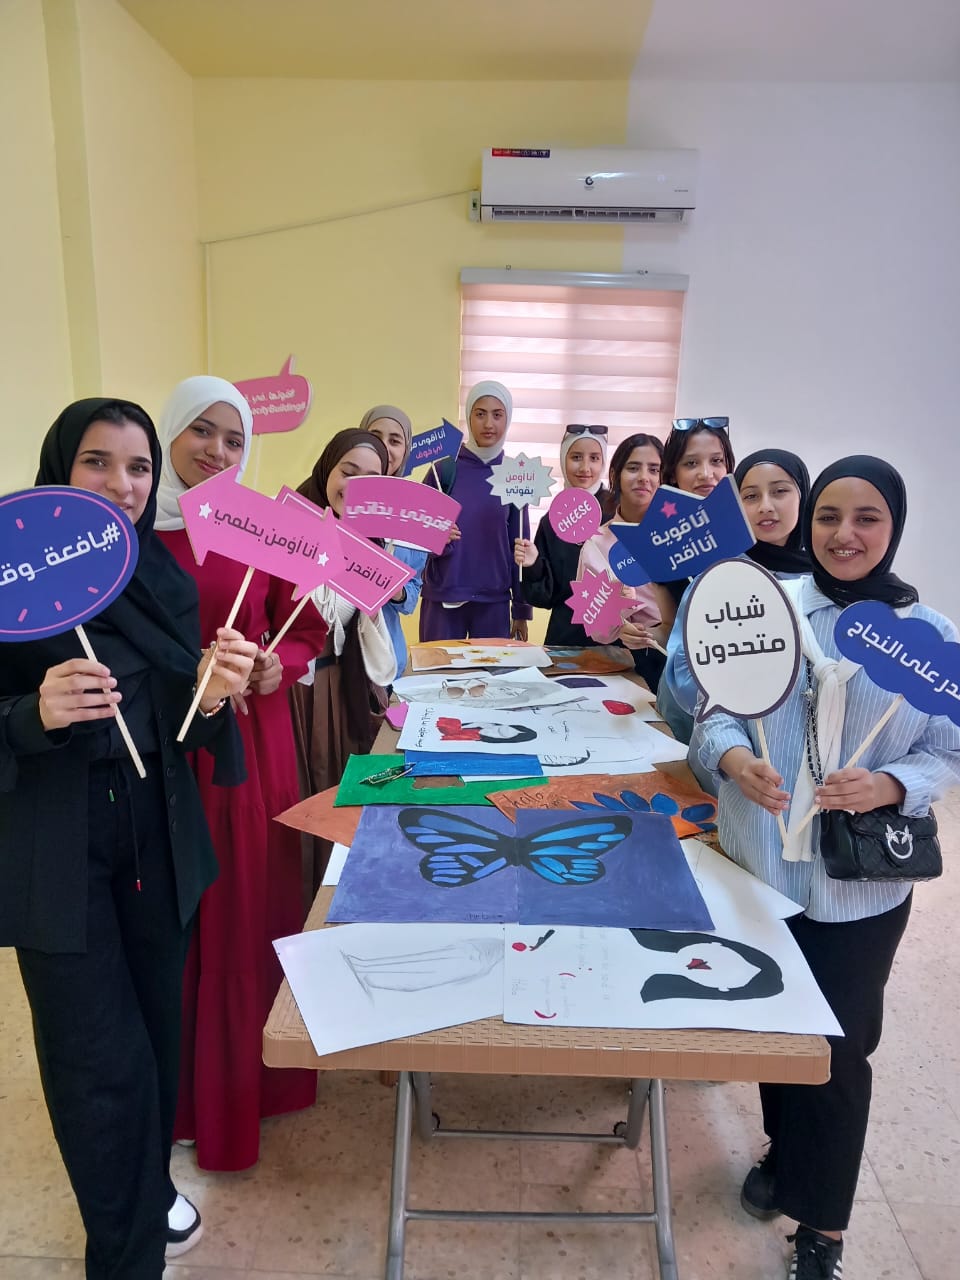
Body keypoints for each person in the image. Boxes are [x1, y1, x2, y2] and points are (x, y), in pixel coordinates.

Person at [0, 399, 255, 1278]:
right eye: (96, 462)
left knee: (153, 1036)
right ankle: (123, 1255)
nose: (121, 484)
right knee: (92, 1060)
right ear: (58, 470)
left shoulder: (162, 580)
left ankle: (147, 1190)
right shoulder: (10, 580)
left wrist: (213, 694)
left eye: (139, 467)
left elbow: (184, 728)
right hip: (56, 851)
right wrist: (33, 713)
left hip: (157, 839)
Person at [692, 456, 960, 1279]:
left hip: (859, 889)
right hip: (760, 872)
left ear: (894, 526)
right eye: (829, 516)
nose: (845, 534)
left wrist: (891, 782)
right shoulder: (767, 609)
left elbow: (948, 750)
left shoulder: (931, 636)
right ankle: (785, 1150)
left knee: (840, 1054)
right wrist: (736, 762)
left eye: (867, 517)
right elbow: (712, 718)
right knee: (775, 1029)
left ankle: (824, 1229)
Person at [155, 376, 328, 1171]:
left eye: (234, 439)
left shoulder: (259, 528)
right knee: (182, 913)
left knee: (250, 898)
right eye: (202, 430)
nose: (217, 451)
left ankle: (255, 1084)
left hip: (250, 746)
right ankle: (183, 1093)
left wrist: (274, 666)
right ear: (169, 431)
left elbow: (304, 630)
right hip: (168, 742)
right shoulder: (137, 530)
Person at [289, 429, 398, 894]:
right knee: (303, 789)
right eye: (347, 473)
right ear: (326, 470)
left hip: (345, 687)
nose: (355, 488)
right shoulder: (290, 526)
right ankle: (303, 893)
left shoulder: (375, 543)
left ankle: (342, 888)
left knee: (342, 788)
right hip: (297, 691)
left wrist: (373, 603)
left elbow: (362, 630)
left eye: (370, 479)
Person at [661, 447, 810, 762]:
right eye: (751, 496)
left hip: (803, 749)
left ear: (803, 497)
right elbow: (684, 670)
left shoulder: (822, 581)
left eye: (779, 491)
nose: (765, 506)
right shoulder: (719, 576)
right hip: (726, 747)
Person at [420, 380, 532, 642]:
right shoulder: (443, 470)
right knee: (438, 668)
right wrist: (437, 538)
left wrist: (521, 610)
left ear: (508, 418)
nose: (489, 424)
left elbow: (521, 549)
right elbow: (415, 537)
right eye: (480, 414)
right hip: (443, 598)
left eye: (497, 415)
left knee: (493, 670)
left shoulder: (515, 476)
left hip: (493, 603)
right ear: (469, 416)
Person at [656, 417, 737, 739]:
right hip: (682, 696)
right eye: (691, 463)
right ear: (673, 474)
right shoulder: (663, 541)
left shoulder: (750, 532)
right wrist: (635, 633)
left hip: (742, 693)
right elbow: (669, 628)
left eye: (716, 461)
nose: (706, 473)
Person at [578, 433, 674, 692]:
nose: (644, 477)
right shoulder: (597, 543)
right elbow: (597, 627)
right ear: (616, 475)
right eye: (633, 468)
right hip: (638, 661)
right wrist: (620, 626)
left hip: (692, 652)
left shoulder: (679, 532)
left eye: (654, 469)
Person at [514, 424, 610, 645]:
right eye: (576, 457)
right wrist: (533, 564)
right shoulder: (552, 520)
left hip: (614, 639)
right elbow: (546, 597)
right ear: (563, 459)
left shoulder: (618, 513)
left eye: (594, 458)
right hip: (565, 638)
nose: (585, 467)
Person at [359, 404, 426, 676]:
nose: (384, 447)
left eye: (395, 441)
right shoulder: (337, 492)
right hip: (335, 657)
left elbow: (413, 594)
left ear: (406, 450)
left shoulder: (415, 510)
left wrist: (396, 590)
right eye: (375, 436)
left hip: (385, 657)